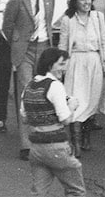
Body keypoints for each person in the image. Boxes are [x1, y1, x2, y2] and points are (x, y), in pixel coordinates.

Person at [2, 0, 56, 160]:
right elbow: (7, 24)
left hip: (43, 47)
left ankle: (42, 138)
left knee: (43, 93)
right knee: (26, 93)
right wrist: (17, 42)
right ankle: (26, 144)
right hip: (24, 51)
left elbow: (48, 22)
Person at [20, 47, 86, 196]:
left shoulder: (29, 86)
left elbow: (24, 118)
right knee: (76, 190)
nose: (64, 69)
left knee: (39, 193)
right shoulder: (55, 86)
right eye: (61, 64)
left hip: (36, 148)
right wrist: (72, 106)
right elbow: (66, 119)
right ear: (50, 65)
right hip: (56, 147)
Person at [59, 0, 105, 155]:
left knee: (91, 101)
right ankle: (75, 142)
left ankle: (85, 136)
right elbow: (63, 45)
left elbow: (104, 41)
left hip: (94, 61)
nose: (87, 2)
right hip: (75, 62)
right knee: (75, 101)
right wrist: (60, 68)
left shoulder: (98, 17)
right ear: (75, 2)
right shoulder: (68, 20)